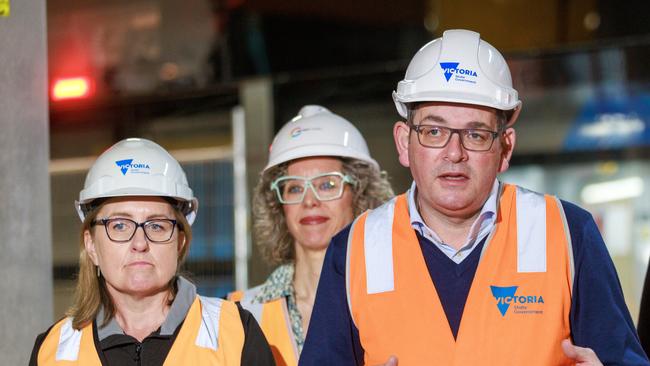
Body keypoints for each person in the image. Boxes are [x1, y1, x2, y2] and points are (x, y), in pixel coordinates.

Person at [299, 29, 649, 365]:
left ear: (505, 148)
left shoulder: (567, 234)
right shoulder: (354, 251)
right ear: (404, 142)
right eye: (434, 131)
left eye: (476, 134)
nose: (454, 152)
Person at [30, 138, 275, 365]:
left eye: (156, 225)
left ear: (179, 242)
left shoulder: (236, 334)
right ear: (92, 245)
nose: (140, 243)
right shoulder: (52, 352)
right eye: (119, 225)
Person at [229, 105, 393, 366]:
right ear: (278, 205)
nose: (309, 201)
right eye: (294, 188)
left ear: (360, 195)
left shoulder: (394, 300)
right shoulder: (239, 313)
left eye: (327, 184)